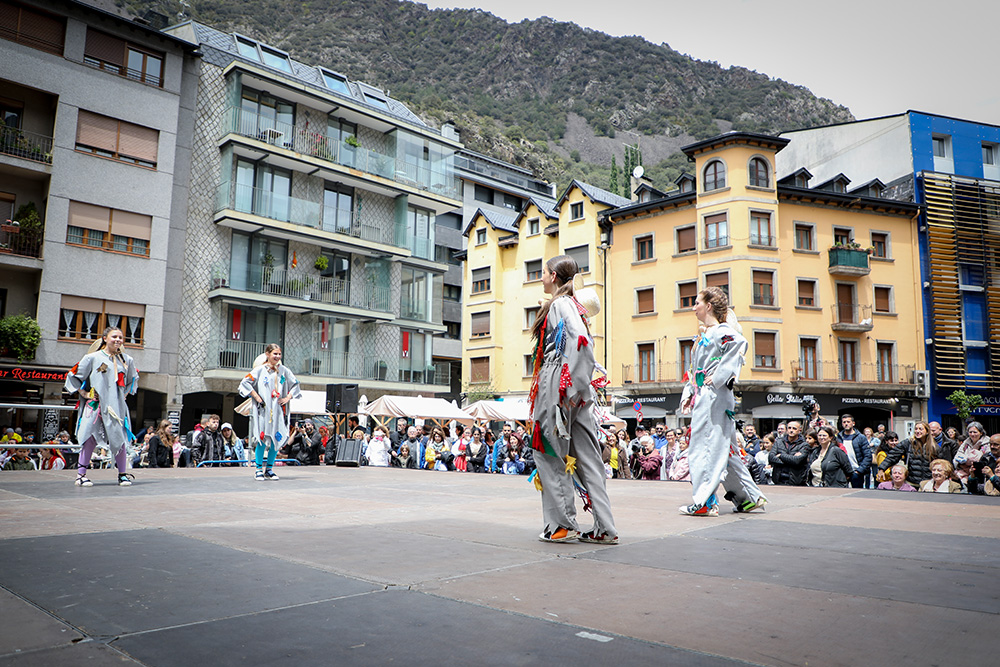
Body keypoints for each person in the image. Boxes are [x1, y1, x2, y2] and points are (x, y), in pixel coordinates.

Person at [528, 256, 617, 544]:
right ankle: (605, 528)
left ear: (553, 276)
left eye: (542, 273)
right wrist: (579, 388)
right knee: (588, 458)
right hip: (574, 388)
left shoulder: (560, 304)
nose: (540, 278)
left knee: (550, 452)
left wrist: (568, 389)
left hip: (560, 385)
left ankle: (562, 524)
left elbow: (580, 341)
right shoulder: (572, 305)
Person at [678, 287, 767, 515]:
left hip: (713, 396)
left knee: (703, 446)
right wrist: (690, 391)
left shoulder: (720, 330)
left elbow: (739, 344)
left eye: (697, 302)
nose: (693, 306)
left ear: (708, 306)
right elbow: (697, 369)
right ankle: (748, 497)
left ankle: (705, 502)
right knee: (724, 449)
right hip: (711, 395)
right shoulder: (709, 333)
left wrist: (717, 377)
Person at [64, 326, 139, 486]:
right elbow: (74, 375)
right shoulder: (92, 358)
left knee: (119, 438)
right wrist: (85, 394)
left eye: (120, 337)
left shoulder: (126, 360)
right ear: (105, 338)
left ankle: (122, 474)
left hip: (116, 407)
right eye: (114, 337)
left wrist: (123, 394)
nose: (118, 340)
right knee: (89, 437)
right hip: (95, 405)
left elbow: (133, 379)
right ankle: (81, 475)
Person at [239, 343, 302, 481]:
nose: (278, 356)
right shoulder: (260, 370)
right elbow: (245, 382)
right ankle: (258, 469)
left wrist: (288, 397)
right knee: (261, 439)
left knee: (276, 439)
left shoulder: (284, 370)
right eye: (275, 354)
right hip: (264, 410)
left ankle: (269, 469)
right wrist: (256, 396)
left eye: (279, 354)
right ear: (267, 354)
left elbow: (296, 383)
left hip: (278, 410)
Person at [877, 421, 938, 488]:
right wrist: (882, 468)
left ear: (927, 431)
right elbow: (893, 455)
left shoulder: (934, 445)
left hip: (929, 483)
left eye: (920, 429)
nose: (917, 431)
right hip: (911, 483)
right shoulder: (908, 443)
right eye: (916, 429)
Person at [836, 413, 872, 489]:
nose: (846, 424)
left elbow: (868, 456)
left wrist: (859, 471)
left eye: (848, 422)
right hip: (843, 473)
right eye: (844, 422)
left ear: (853, 423)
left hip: (856, 472)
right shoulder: (838, 438)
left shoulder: (861, 437)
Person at [770, 421, 810, 486]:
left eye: (794, 428)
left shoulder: (804, 445)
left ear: (799, 430)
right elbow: (771, 458)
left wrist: (781, 456)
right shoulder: (779, 442)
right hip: (778, 480)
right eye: (789, 428)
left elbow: (797, 461)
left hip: (795, 481)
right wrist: (790, 460)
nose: (791, 430)